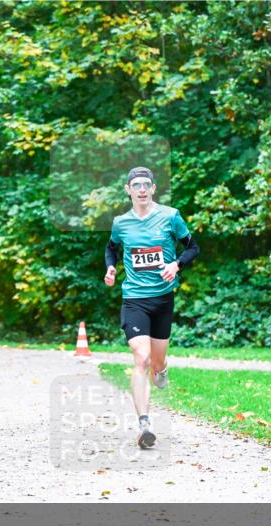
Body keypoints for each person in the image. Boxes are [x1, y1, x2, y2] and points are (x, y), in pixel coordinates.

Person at [104, 167, 199, 449]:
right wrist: (111, 267)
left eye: (147, 184)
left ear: (153, 189)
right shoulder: (121, 223)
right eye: (137, 185)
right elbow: (111, 248)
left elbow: (193, 247)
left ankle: (163, 367)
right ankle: (144, 423)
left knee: (156, 363)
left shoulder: (170, 216)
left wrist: (176, 264)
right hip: (134, 299)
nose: (142, 189)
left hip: (163, 299)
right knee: (141, 359)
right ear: (128, 189)